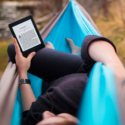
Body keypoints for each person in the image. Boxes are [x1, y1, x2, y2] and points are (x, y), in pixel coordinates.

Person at [8, 35, 125, 125]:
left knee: (15, 50)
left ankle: (63, 54)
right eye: (54, 122)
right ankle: (74, 53)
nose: (46, 113)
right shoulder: (97, 108)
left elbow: (30, 115)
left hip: (53, 83)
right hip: (81, 71)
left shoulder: (40, 117)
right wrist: (113, 64)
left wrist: (23, 71)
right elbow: (91, 41)